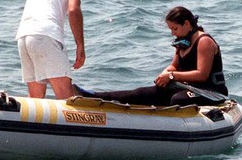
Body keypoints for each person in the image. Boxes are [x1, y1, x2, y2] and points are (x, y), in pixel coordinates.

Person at [77, 6, 227, 106]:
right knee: (143, 93)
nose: (172, 33)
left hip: (210, 93)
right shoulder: (183, 42)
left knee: (178, 99)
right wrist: (165, 73)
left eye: (175, 28)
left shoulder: (204, 41)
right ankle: (95, 96)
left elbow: (202, 75)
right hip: (185, 86)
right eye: (170, 29)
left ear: (187, 24)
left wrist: (172, 76)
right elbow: (174, 65)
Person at [15, 0, 91, 100]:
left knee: (35, 101)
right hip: (47, 35)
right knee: (66, 100)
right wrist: (80, 46)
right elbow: (73, 9)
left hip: (24, 35)